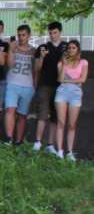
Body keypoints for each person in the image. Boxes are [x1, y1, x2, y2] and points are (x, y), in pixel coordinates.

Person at [32, 21, 67, 153]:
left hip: (62, 86)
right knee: (42, 113)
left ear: (61, 32)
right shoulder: (43, 47)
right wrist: (41, 57)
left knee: (55, 116)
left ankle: (50, 144)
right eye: (50, 33)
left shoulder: (66, 47)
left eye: (55, 33)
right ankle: (38, 142)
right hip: (45, 85)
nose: (52, 35)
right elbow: (36, 68)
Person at [54, 40, 88, 161]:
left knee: (72, 124)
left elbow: (82, 79)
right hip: (62, 92)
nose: (71, 50)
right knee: (61, 122)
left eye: (73, 48)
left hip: (76, 93)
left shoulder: (83, 62)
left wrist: (66, 80)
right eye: (69, 48)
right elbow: (60, 79)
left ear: (77, 49)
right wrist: (64, 63)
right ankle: (59, 150)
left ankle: (70, 152)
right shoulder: (61, 63)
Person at [3, 25, 37, 145]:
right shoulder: (13, 48)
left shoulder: (34, 51)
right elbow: (10, 64)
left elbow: (37, 70)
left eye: (23, 35)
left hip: (28, 85)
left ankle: (19, 140)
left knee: (22, 114)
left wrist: (35, 87)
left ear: (29, 35)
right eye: (19, 35)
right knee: (10, 109)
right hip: (12, 83)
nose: (21, 37)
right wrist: (11, 50)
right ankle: (9, 138)